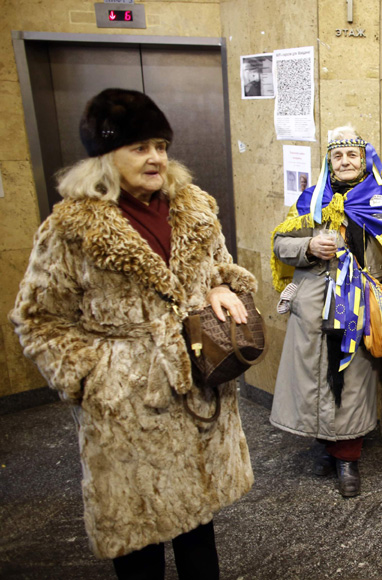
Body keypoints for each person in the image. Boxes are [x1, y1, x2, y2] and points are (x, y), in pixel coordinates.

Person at [9, 89, 256, 579]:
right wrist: (94, 378)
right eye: (140, 147)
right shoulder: (71, 228)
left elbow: (219, 266)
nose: (156, 158)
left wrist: (221, 288)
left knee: (197, 529)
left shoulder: (193, 208)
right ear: (105, 156)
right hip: (125, 403)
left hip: (195, 391)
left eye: (161, 146)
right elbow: (36, 318)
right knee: (136, 531)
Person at [269, 126, 382, 497]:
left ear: (364, 161)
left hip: (358, 305)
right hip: (313, 305)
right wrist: (308, 247)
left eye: (352, 155)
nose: (345, 162)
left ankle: (347, 457)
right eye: (338, 156)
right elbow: (280, 244)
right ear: (328, 163)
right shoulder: (309, 200)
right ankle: (323, 447)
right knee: (313, 378)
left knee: (350, 381)